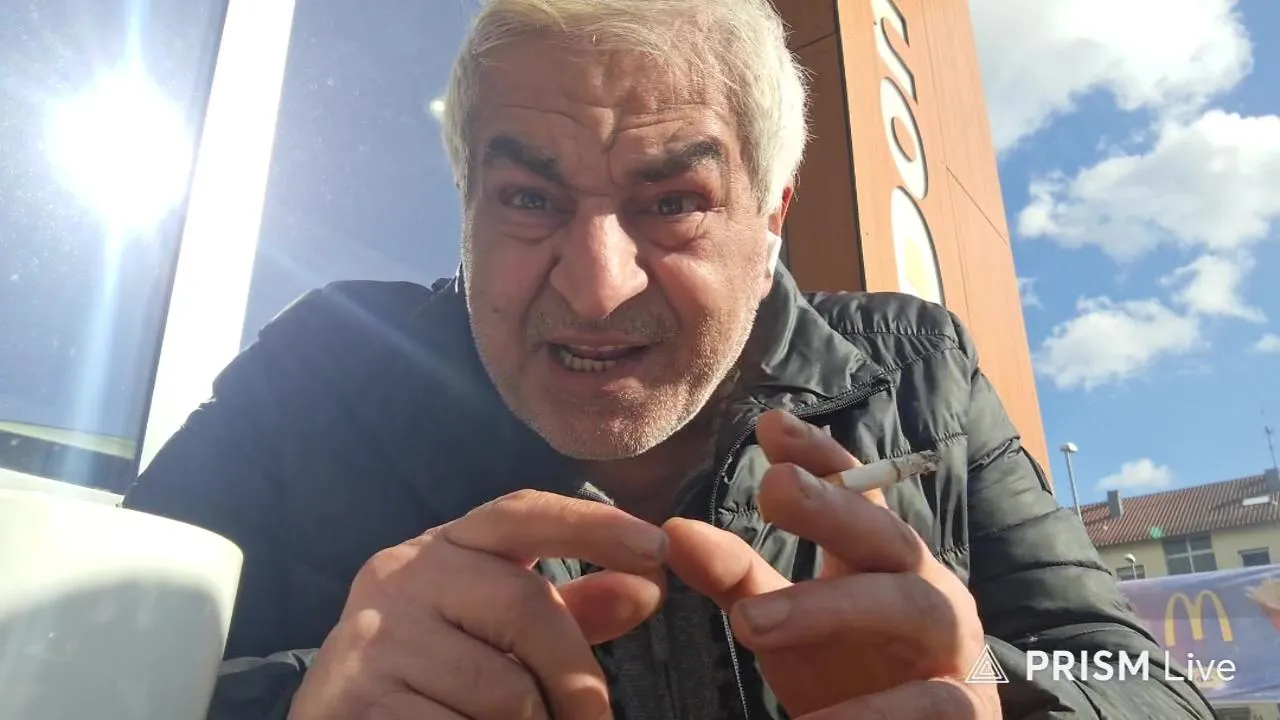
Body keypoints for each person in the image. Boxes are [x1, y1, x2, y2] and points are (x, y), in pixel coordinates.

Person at [122, 0, 1218, 718]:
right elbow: (65, 661)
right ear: (466, 207)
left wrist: (975, 678)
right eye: (528, 199)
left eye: (673, 201)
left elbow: (1141, 682)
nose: (596, 286)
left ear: (770, 217)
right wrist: (301, 702)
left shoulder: (918, 373)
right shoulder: (314, 379)